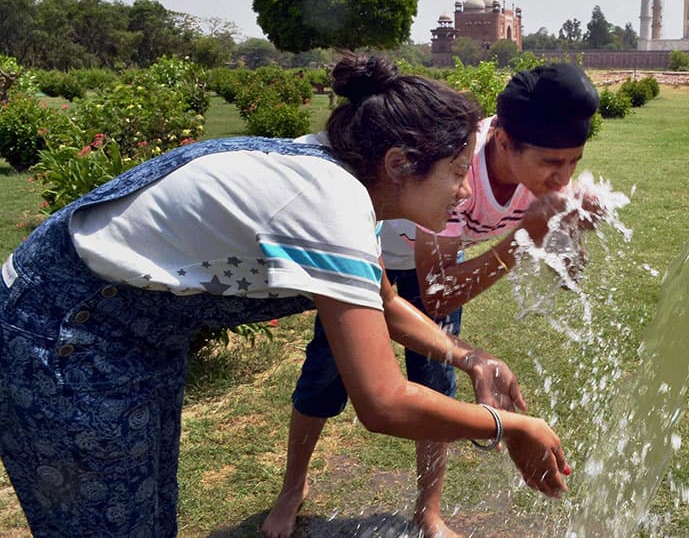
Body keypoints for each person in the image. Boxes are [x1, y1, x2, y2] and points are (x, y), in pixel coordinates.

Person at [0, 54, 570, 537]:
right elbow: (383, 401)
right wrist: (510, 426)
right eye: (454, 172)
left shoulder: (346, 186)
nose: (466, 189)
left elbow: (388, 305)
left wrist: (471, 358)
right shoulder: (330, 202)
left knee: (145, 511)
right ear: (399, 164)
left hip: (129, 335)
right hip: (65, 333)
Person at [263, 63, 600, 538]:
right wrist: (526, 236)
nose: (562, 178)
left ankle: (429, 510)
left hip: (423, 254)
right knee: (326, 370)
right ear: (502, 141)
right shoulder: (454, 165)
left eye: (573, 162)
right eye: (551, 163)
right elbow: (439, 294)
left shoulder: (540, 175)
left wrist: (565, 231)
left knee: (438, 380)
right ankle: (292, 487)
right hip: (368, 248)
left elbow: (566, 269)